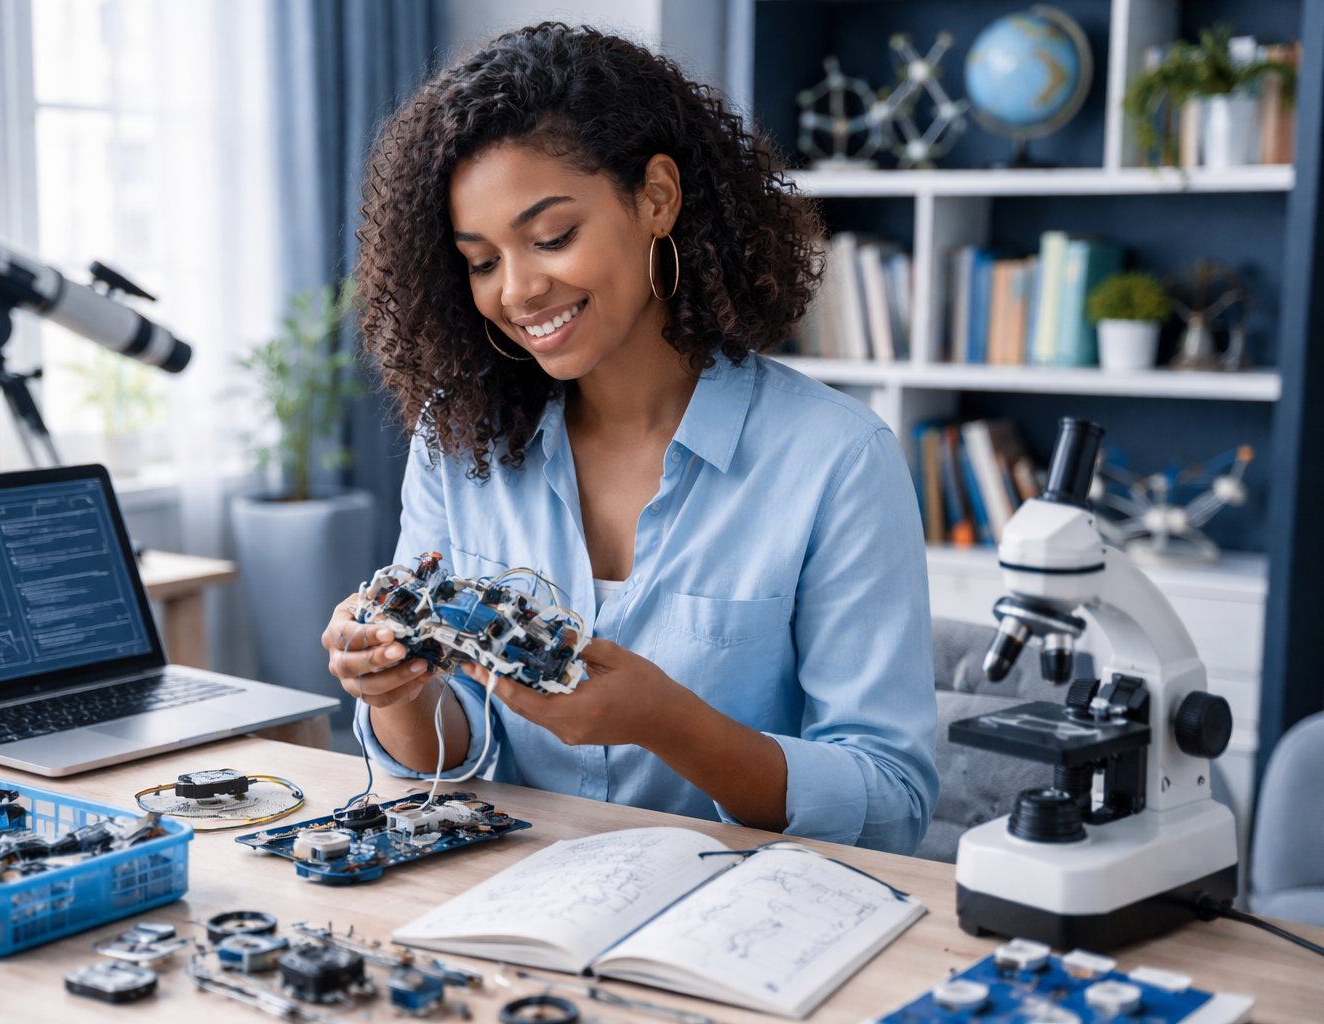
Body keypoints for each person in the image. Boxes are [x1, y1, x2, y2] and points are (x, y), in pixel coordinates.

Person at [322, 24, 938, 854]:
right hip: (510, 903)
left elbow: (893, 803)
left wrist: (669, 724)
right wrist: (393, 690)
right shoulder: (455, 441)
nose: (519, 289)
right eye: (480, 261)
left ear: (656, 198)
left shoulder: (838, 461)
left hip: (745, 921)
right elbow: (453, 755)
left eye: (551, 237)